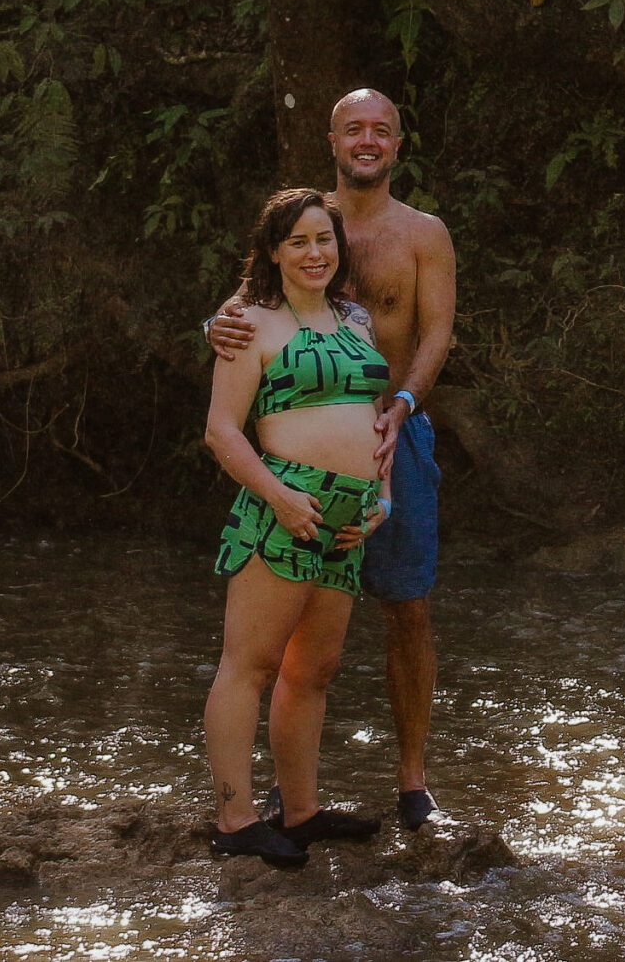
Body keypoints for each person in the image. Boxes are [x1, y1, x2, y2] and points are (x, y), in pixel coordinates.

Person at [208, 88, 456, 831]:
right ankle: (266, 807)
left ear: (399, 144)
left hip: (393, 436)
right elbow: (241, 312)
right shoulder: (303, 221)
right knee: (275, 643)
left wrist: (402, 409)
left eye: (382, 129)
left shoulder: (424, 233)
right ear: (333, 139)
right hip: (295, 459)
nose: (368, 139)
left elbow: (437, 332)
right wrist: (214, 325)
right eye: (354, 127)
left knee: (405, 608)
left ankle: (411, 780)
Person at [202, 187, 390, 868]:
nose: (316, 252)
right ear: (275, 252)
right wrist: (279, 496)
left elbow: (375, 418)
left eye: (325, 240)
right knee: (248, 666)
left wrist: (382, 498)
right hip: (282, 507)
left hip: (348, 517)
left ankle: (301, 810)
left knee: (313, 669)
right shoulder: (248, 320)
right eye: (300, 241)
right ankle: (234, 818)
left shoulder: (356, 320)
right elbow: (222, 431)